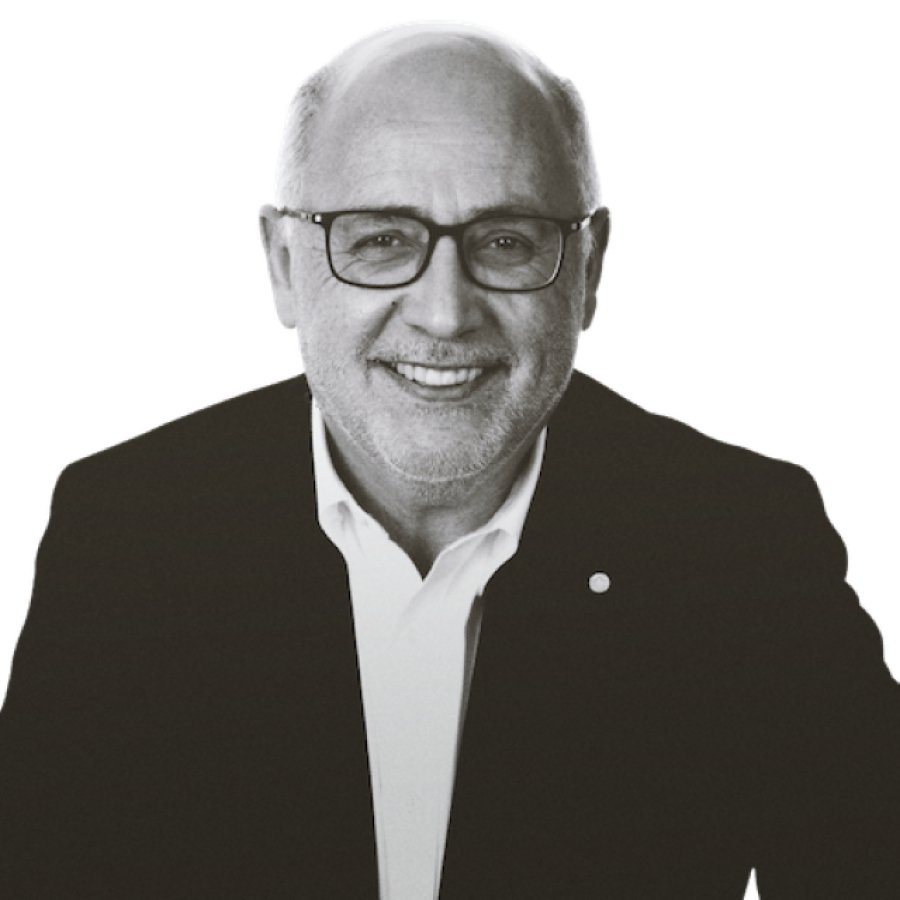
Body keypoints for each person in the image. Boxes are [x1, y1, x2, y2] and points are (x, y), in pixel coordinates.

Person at [1, 24, 897, 899]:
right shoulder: (128, 534)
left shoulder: (744, 549)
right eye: (380, 239)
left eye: (506, 241)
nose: (443, 312)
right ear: (283, 265)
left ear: (587, 269)